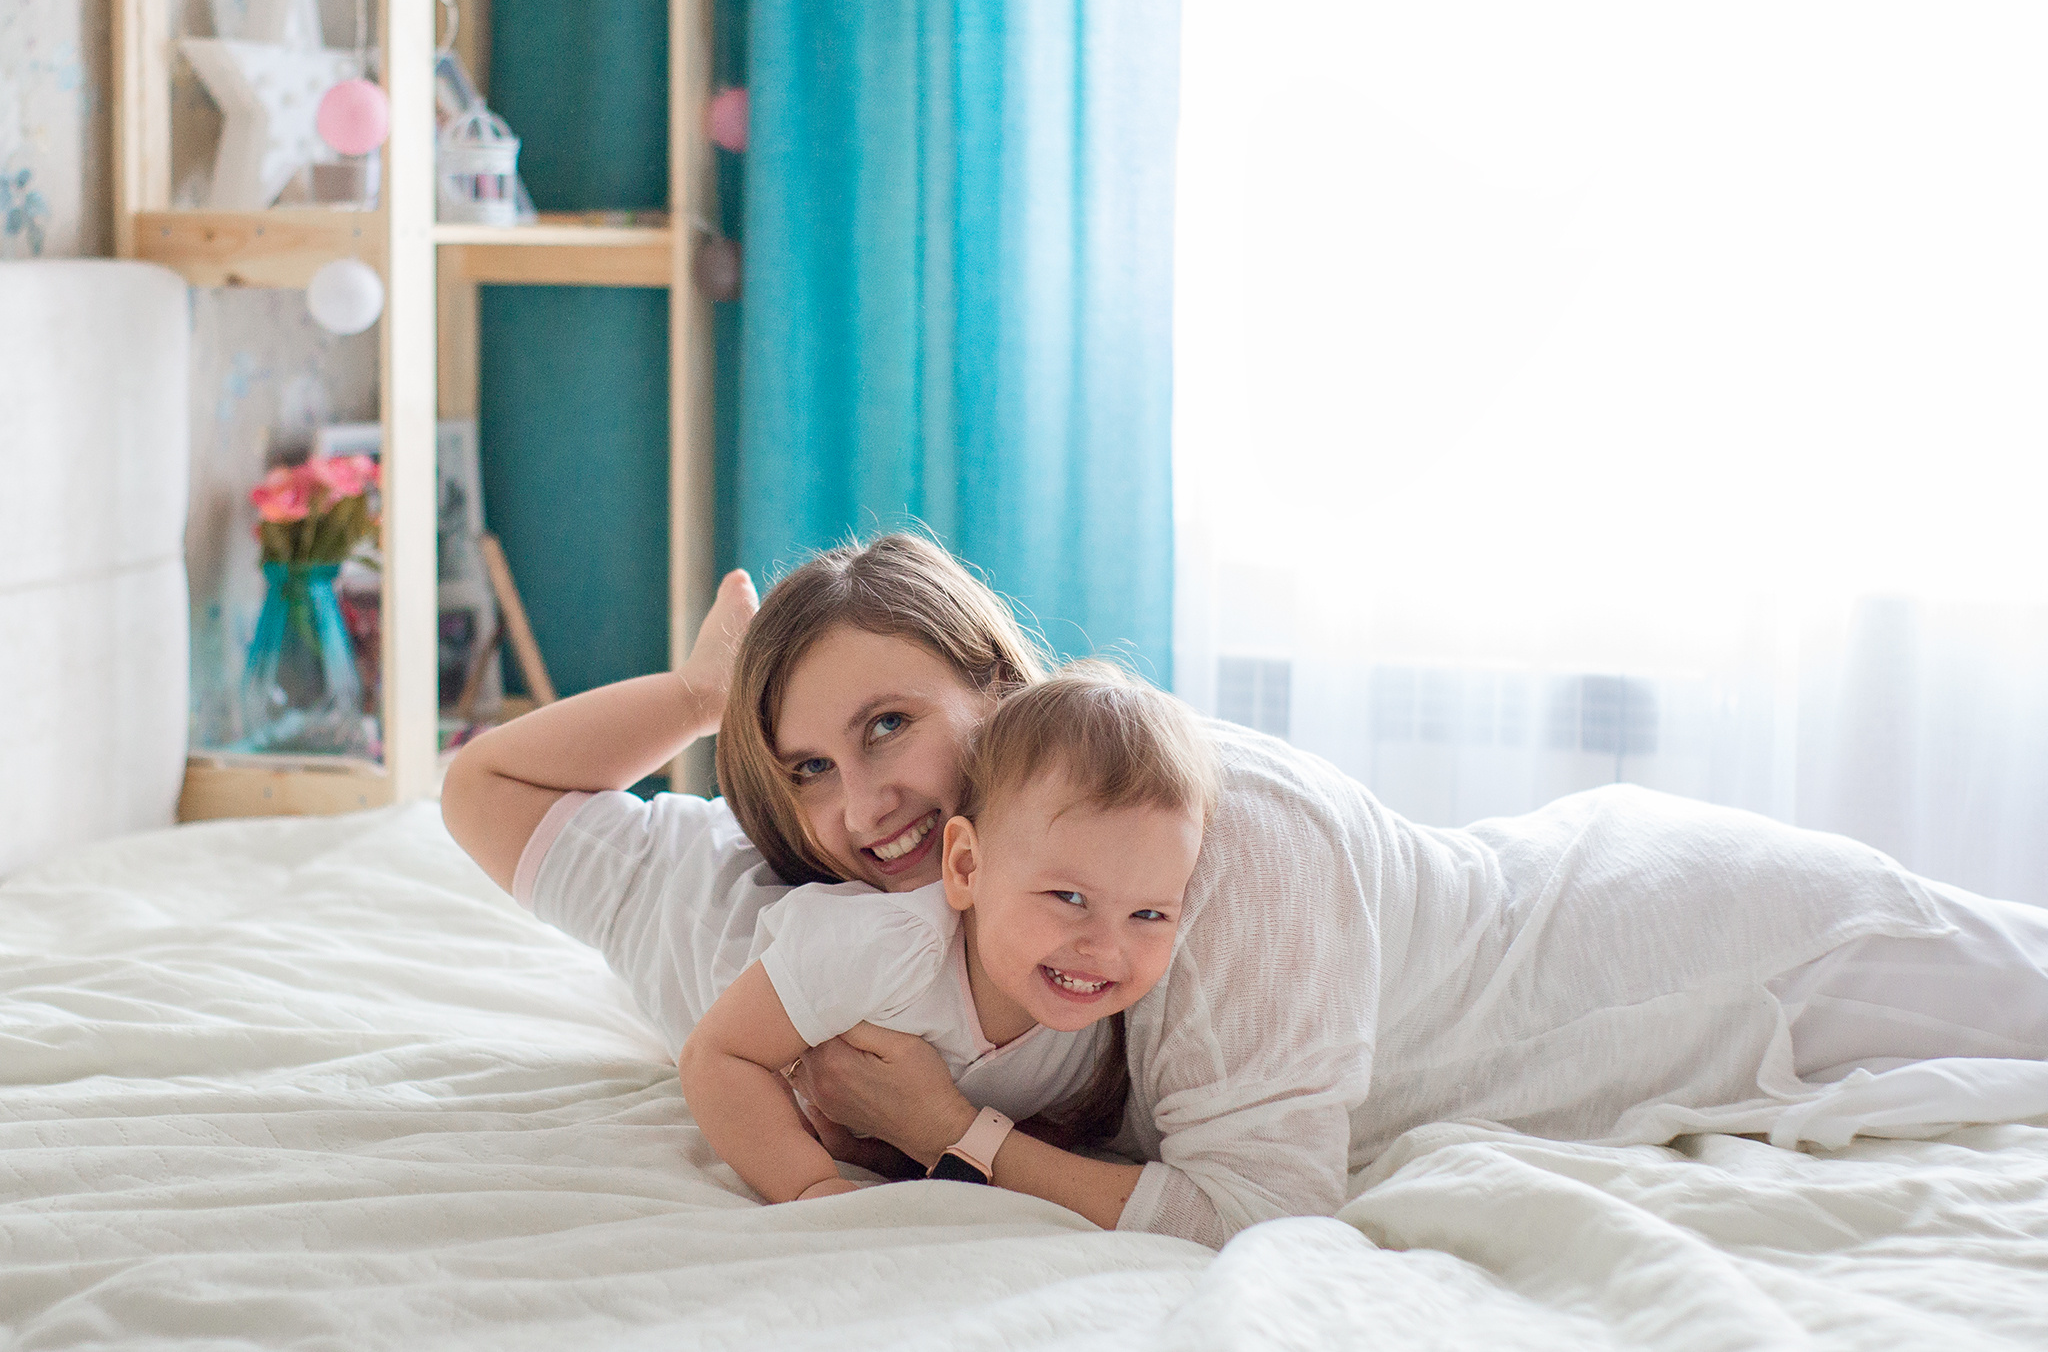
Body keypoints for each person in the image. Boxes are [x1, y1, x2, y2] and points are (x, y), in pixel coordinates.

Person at [442, 533, 2048, 1250]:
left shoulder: (1218, 840)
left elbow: (1267, 1211)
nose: (861, 806)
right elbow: (486, 790)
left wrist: (960, 1135)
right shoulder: (788, 918)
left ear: (999, 689)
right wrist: (701, 690)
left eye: (888, 728)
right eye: (802, 767)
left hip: (1684, 955)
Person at [677, 664, 1216, 1206]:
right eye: (1069, 898)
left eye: (1148, 914)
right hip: (699, 924)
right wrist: (809, 1185)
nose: (1105, 949)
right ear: (965, 867)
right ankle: (693, 699)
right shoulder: (886, 945)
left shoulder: (1104, 1025)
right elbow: (718, 1055)